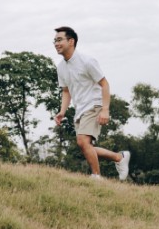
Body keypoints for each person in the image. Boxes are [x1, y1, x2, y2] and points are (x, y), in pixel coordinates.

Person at [53, 26, 131, 180]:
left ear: (71, 41)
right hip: (80, 109)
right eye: (54, 41)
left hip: (94, 104)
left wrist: (105, 109)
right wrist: (62, 111)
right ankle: (119, 157)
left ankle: (96, 177)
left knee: (83, 142)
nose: (56, 43)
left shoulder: (87, 61)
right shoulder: (61, 67)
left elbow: (105, 84)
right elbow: (66, 91)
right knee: (85, 146)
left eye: (59, 40)